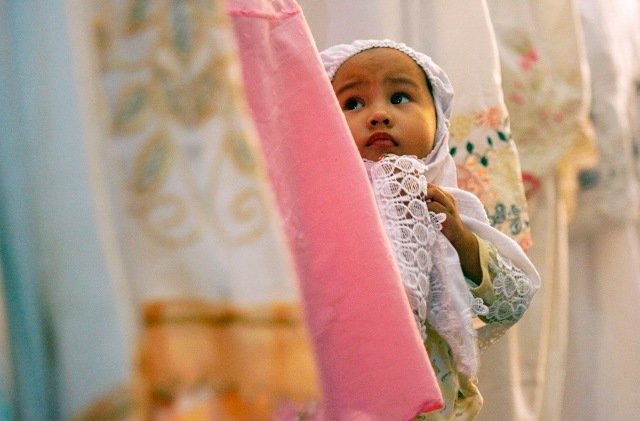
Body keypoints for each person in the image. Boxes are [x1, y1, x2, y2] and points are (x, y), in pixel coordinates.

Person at [320, 39, 541, 420]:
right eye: (353, 104)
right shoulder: (319, 207)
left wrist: (461, 239)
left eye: (400, 97)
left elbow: (512, 302)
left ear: (438, 119)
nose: (378, 115)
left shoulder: (447, 206)